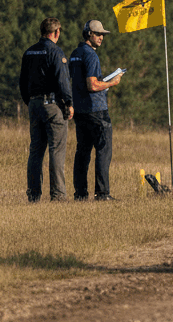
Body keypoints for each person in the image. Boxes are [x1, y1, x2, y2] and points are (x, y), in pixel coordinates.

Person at [20, 18, 74, 202]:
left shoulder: (29, 52)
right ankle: (58, 195)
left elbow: (22, 82)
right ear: (56, 32)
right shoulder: (56, 52)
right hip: (52, 105)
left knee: (35, 151)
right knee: (56, 150)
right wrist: (68, 103)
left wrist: (30, 101)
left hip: (34, 104)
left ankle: (33, 194)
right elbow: (62, 81)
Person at [69, 20, 122, 201]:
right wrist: (112, 82)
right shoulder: (91, 55)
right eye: (98, 34)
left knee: (82, 151)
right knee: (103, 150)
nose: (101, 37)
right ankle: (102, 193)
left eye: (103, 35)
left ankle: (80, 193)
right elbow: (92, 84)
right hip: (97, 110)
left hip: (80, 109)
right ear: (89, 34)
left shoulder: (75, 54)